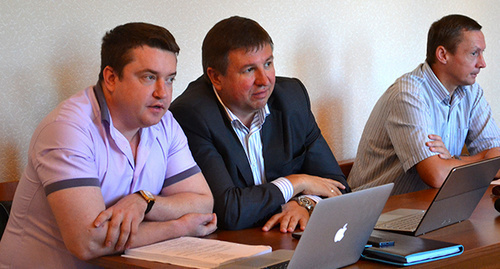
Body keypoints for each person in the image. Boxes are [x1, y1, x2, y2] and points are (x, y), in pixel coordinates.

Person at [0, 22, 217, 268]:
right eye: (149, 77)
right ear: (111, 78)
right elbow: (89, 241)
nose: (163, 93)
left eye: (169, 79)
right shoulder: (67, 129)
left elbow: (202, 202)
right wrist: (180, 226)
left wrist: (144, 202)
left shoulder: (164, 123)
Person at [170, 16, 350, 233]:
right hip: (231, 248)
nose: (264, 80)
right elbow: (229, 211)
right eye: (248, 70)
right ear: (216, 77)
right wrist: (296, 182)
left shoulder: (291, 98)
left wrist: (303, 204)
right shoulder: (192, 115)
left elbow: (338, 186)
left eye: (268, 64)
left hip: (281, 238)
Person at [348, 14, 500, 195]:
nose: (482, 63)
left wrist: (452, 160)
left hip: (427, 205)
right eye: (474, 53)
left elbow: (497, 163)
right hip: (376, 211)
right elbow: (436, 175)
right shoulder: (408, 93)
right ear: (443, 54)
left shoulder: (471, 92)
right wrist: (482, 158)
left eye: (482, 53)